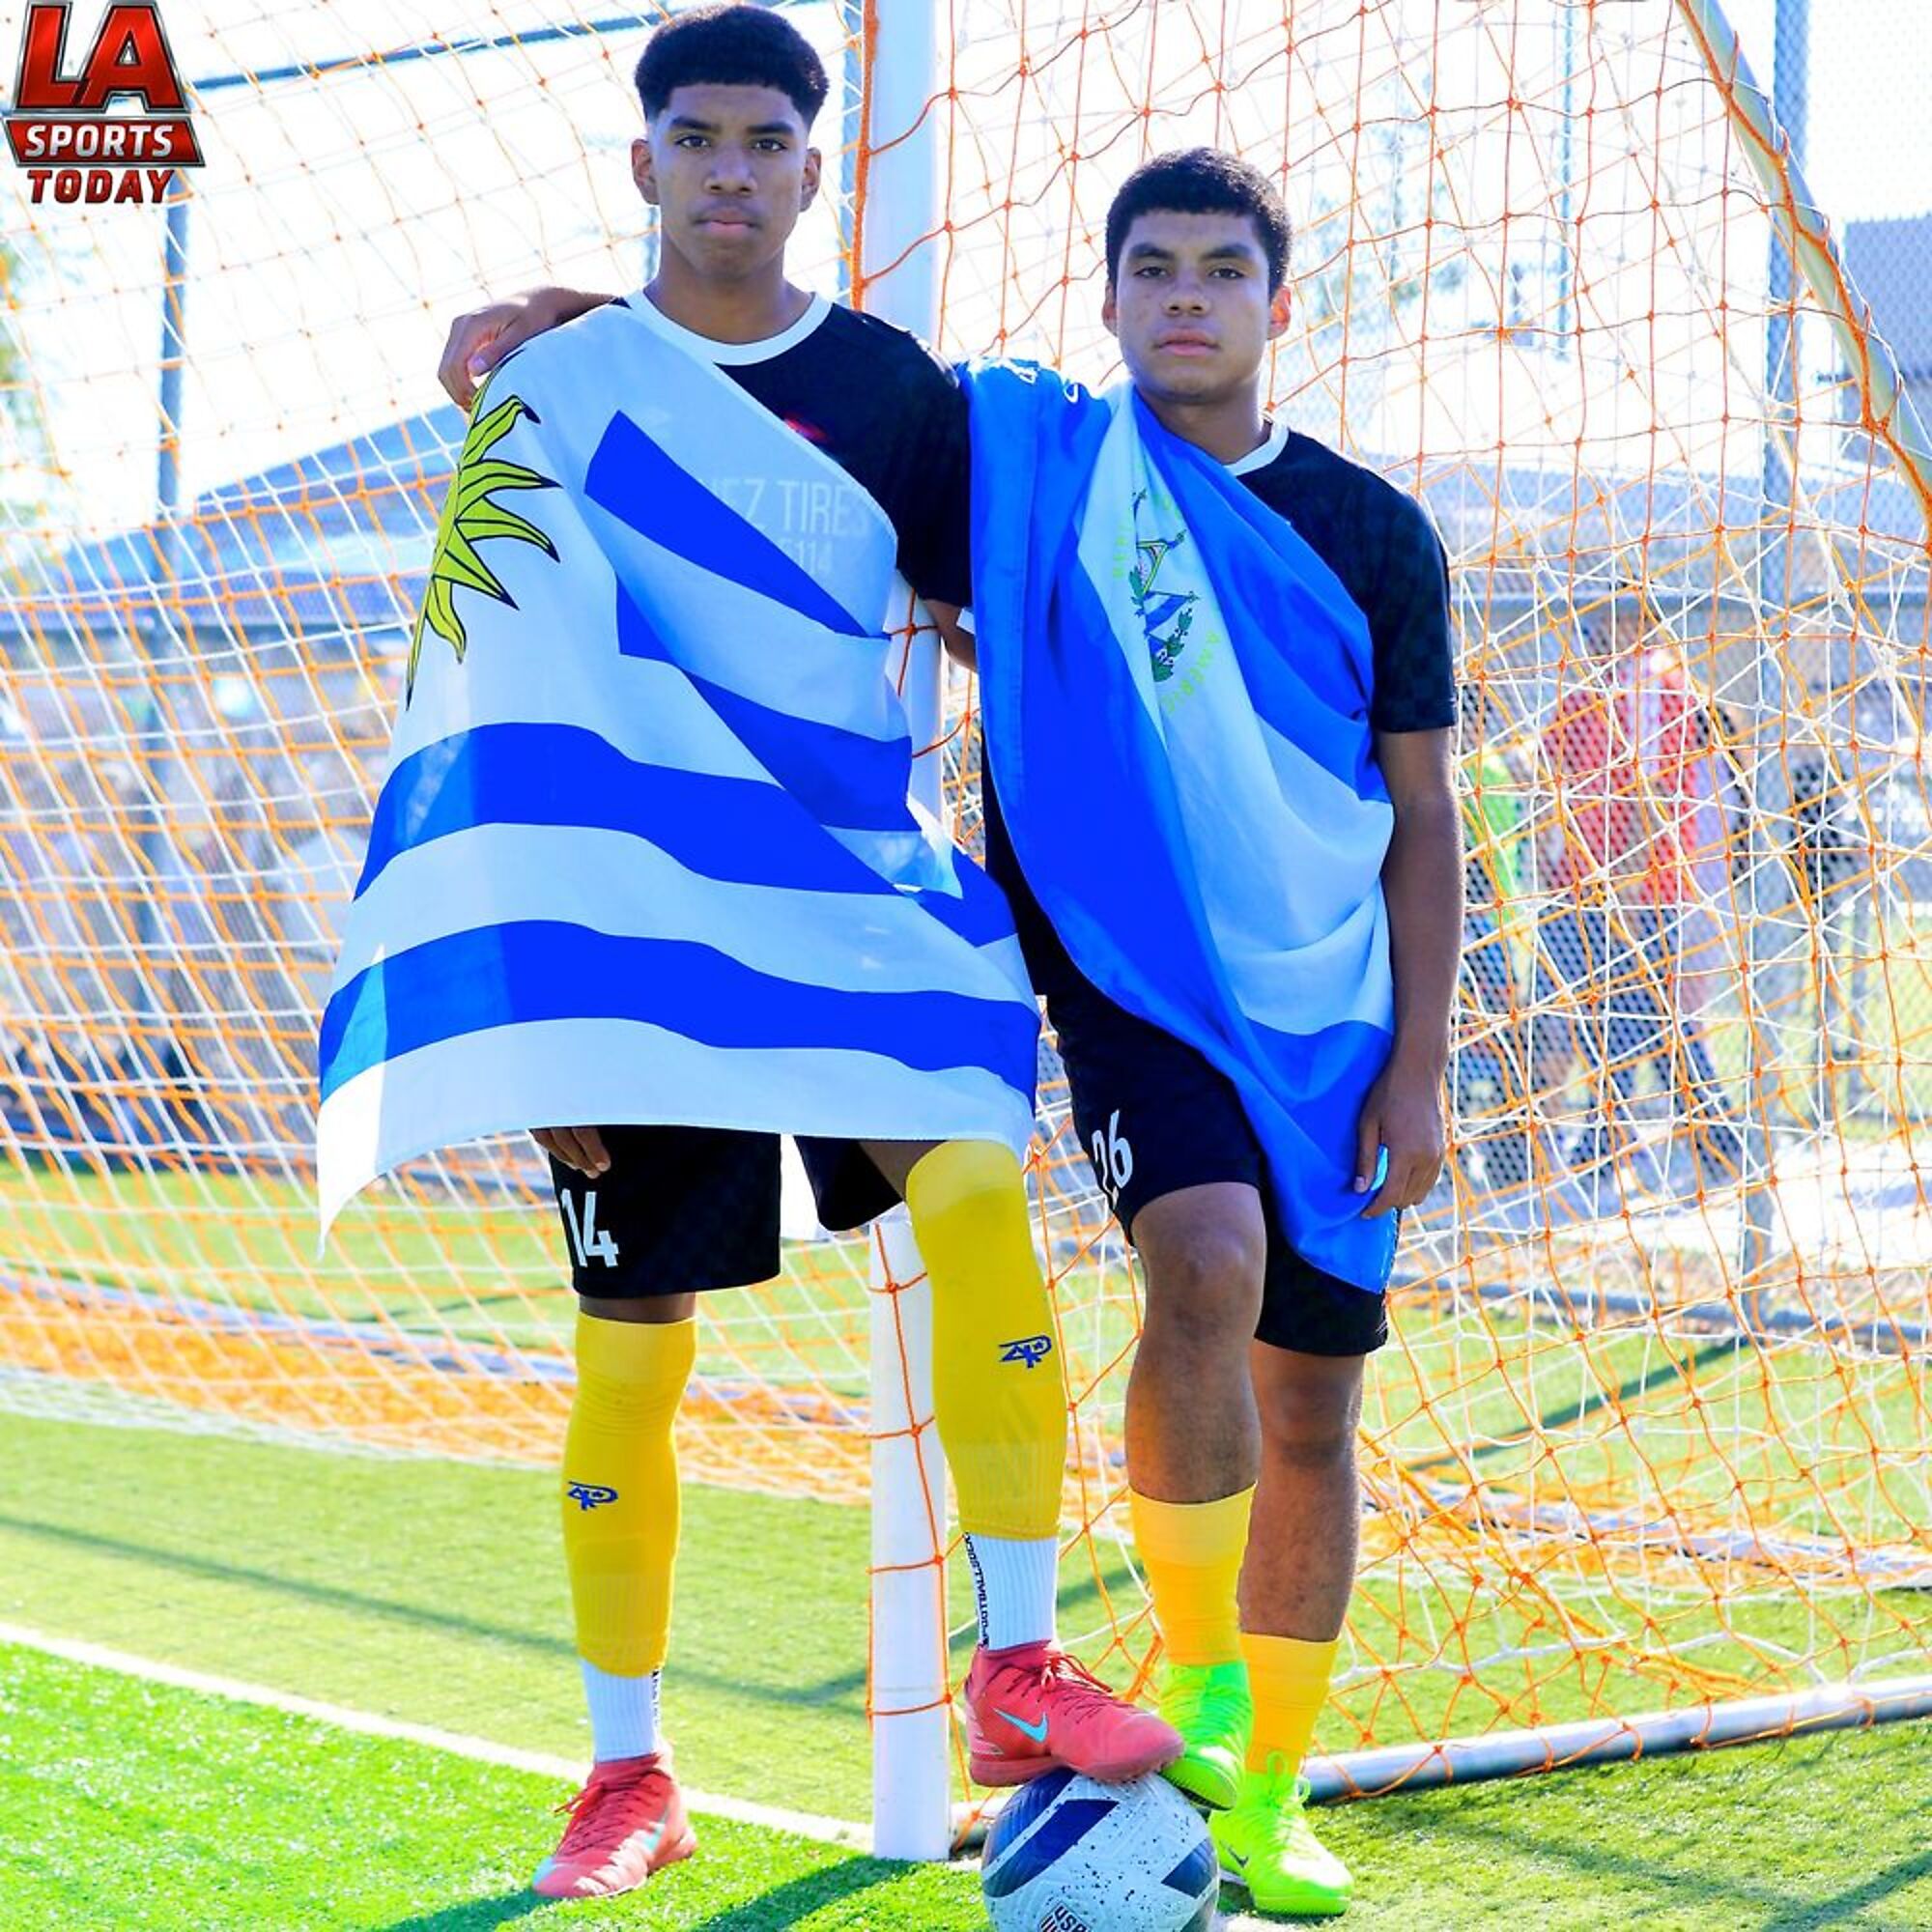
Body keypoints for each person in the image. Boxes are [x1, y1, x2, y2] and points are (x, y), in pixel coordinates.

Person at [444, 146, 1461, 1922]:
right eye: (1154, 268)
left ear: (1280, 303)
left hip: (1336, 1005)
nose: (1188, 298)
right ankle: (1194, 1699)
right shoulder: (1038, 464)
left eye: (1223, 270)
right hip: (1131, 977)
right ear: (1111, 296)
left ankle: (1272, 1790)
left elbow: (1426, 808)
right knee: (1202, 1262)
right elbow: (785, 371)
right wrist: (583, 314)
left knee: (1315, 1401)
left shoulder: (1374, 529)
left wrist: (1422, 1060)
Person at [345, 6, 1177, 1905]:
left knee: (980, 1191)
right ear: (644, 159)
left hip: (854, 902)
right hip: (638, 935)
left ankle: (1018, 1665)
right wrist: (533, 1009)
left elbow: (986, 614)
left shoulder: (893, 393)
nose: (731, 172)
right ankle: (629, 1773)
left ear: (814, 167)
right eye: (697, 140)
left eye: (765, 143)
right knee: (636, 1350)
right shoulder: (556, 393)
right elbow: (484, 682)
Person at [1536, 587, 1742, 1186]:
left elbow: (1646, 787)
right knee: (1621, 1019)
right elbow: (1553, 777)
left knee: (1649, 1018)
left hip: (1635, 887)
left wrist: (1630, 881)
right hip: (1584, 884)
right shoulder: (1589, 691)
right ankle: (1618, 1141)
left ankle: (1709, 1138)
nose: (1598, 633)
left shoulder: (1653, 686)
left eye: (1614, 621)